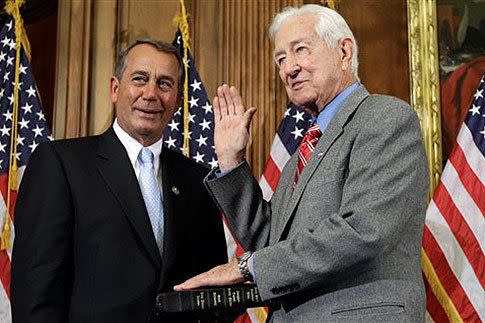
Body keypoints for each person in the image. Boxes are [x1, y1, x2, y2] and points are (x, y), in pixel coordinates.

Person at [175, 4, 429, 322]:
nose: (288, 69)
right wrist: (231, 162)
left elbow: (364, 230)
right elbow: (272, 243)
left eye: (301, 50)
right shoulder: (304, 152)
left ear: (344, 51)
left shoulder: (384, 118)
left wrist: (247, 266)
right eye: (281, 59)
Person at [10, 39, 227, 322]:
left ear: (177, 100)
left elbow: (213, 290)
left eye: (164, 84)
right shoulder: (61, 164)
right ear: (115, 88)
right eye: (140, 79)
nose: (151, 94)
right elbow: (36, 293)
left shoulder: (198, 180)